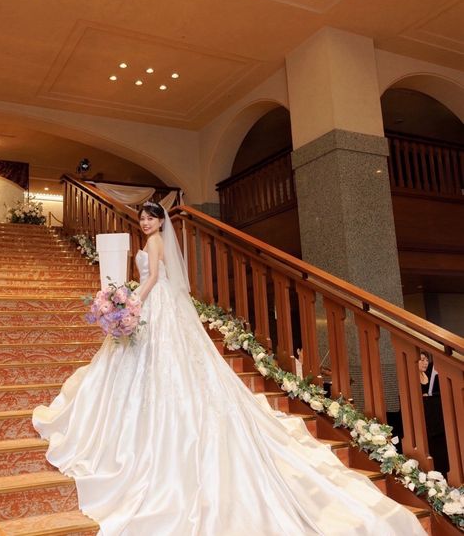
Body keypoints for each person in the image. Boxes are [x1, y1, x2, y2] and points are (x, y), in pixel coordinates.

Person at [33, 202, 425, 535]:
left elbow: (151, 279)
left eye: (150, 218)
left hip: (155, 302)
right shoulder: (152, 241)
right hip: (160, 304)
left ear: (159, 222)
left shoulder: (153, 243)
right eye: (143, 219)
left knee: (158, 360)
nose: (146, 223)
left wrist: (132, 301)